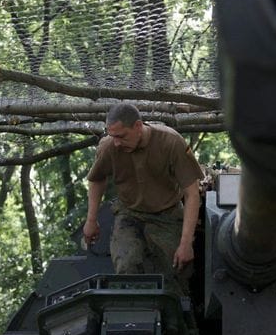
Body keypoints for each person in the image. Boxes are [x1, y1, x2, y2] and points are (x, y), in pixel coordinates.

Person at [83, 103, 203, 295]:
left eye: (121, 136)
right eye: (112, 136)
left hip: (167, 213)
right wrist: (91, 220)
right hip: (129, 212)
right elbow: (96, 179)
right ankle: (133, 316)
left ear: (138, 126)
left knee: (176, 270)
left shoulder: (171, 142)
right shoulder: (109, 147)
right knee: (126, 263)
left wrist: (186, 243)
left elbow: (192, 193)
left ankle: (174, 322)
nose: (116, 143)